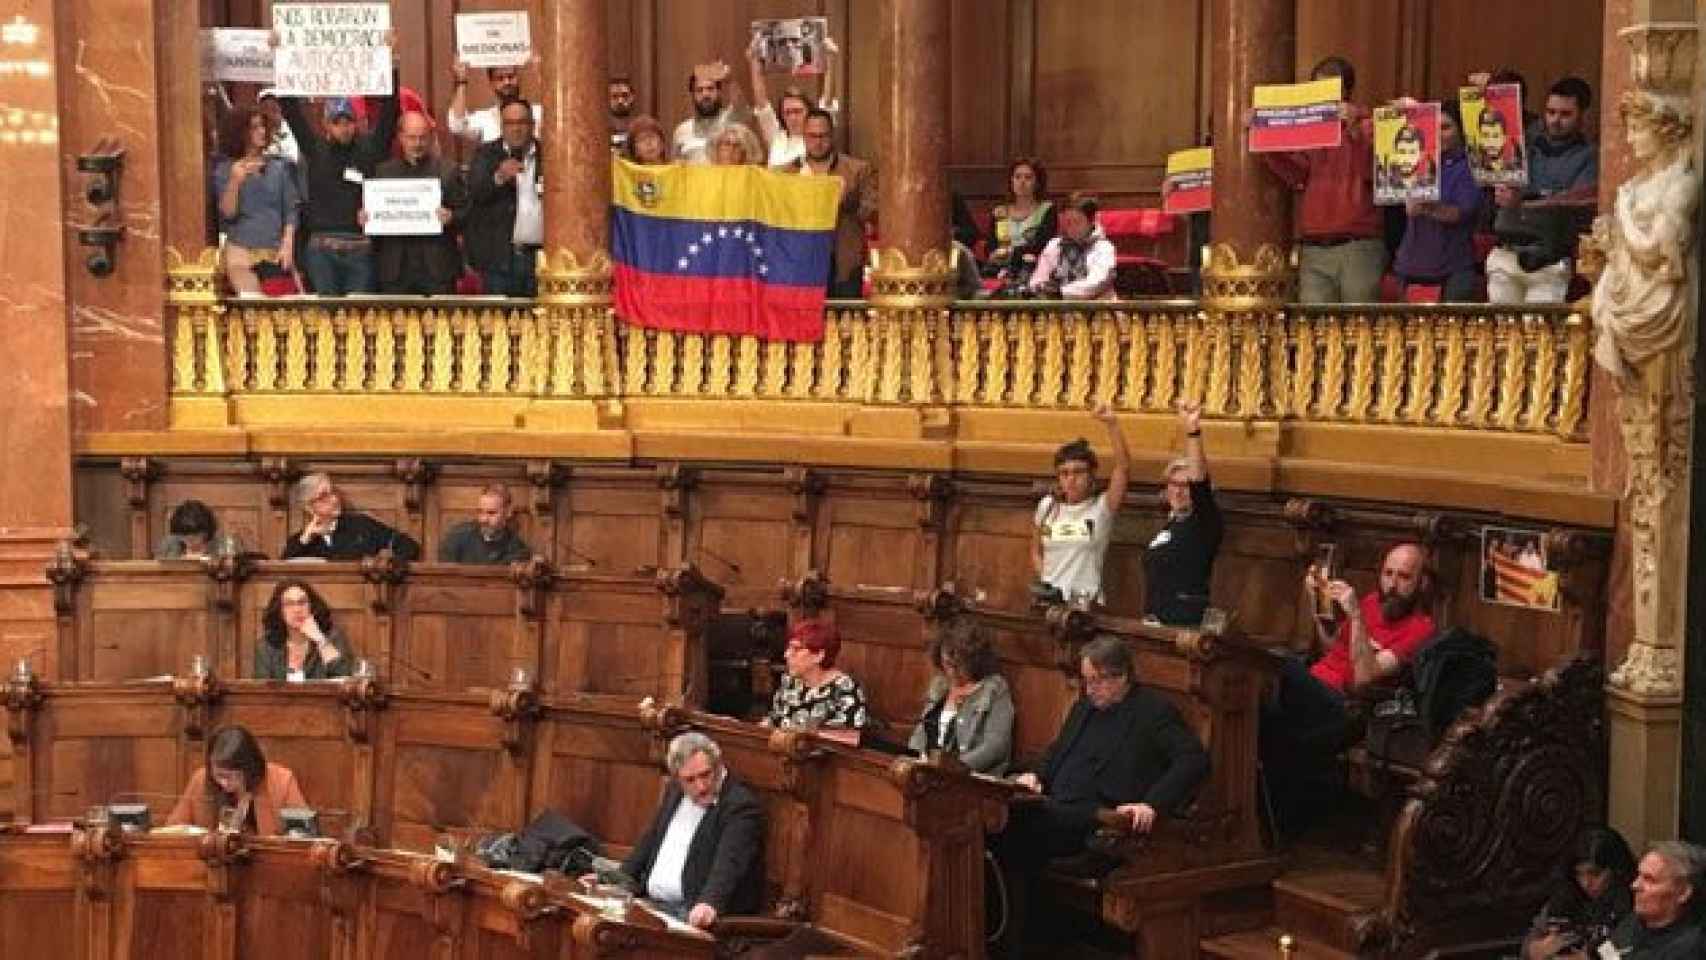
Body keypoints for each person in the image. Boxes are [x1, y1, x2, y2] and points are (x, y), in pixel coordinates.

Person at [990, 636, 1209, 957]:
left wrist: (1152, 804)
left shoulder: (1152, 712)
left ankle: (1018, 945)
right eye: (1086, 680)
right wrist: (1035, 775)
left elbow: (1193, 760)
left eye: (1096, 681)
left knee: (1007, 833)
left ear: (1120, 676)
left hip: (1098, 824)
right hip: (1053, 808)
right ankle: (1006, 940)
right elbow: (1056, 751)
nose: (1089, 689)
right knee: (996, 825)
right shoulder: (1084, 708)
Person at [1259, 542, 1436, 835]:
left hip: (1346, 706)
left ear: (1422, 583)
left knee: (1280, 665)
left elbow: (1365, 677)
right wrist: (1318, 609)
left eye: (1403, 577)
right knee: (1256, 705)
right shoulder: (1370, 603)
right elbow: (1333, 648)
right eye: (1387, 574)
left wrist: (1354, 616)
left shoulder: (1421, 629)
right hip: (1316, 687)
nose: (1392, 584)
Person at [598, 732, 764, 929]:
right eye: (690, 780)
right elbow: (650, 840)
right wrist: (616, 882)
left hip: (688, 913)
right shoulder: (675, 791)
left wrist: (709, 903)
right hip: (649, 902)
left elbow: (730, 862)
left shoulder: (740, 805)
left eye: (706, 774)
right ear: (677, 778)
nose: (701, 787)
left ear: (719, 766)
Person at [1260, 56, 1384, 304]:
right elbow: (1298, 175)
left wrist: (1355, 128)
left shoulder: (1372, 125)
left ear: (1347, 92)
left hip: (1357, 244)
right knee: (1314, 329)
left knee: (1357, 327)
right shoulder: (1310, 128)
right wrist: (1267, 144)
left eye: (1330, 90)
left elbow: (1380, 171)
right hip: (1314, 245)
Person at [277, 84, 399, 296]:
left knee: (359, 318)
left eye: (348, 121)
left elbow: (390, 113)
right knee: (327, 317)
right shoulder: (315, 149)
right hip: (322, 250)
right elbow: (291, 112)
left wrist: (391, 67)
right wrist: (285, 66)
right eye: (337, 122)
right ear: (326, 124)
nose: (344, 128)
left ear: (356, 122)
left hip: (360, 249)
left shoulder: (370, 149)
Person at [1487, 77, 1598, 304]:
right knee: (1500, 335)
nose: (1556, 120)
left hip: (1550, 259)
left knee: (1539, 336)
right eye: (1551, 112)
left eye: (1565, 114)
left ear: (1583, 116)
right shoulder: (1523, 145)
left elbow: (1572, 204)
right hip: (1507, 253)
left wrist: (1523, 202)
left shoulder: (1590, 157)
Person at [1032, 401, 1130, 606]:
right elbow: (1035, 550)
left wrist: (1112, 424)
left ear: (1091, 475)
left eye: (1078, 472)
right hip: (1050, 603)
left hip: (1085, 606)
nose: (1071, 479)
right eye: (1064, 473)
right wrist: (1048, 581)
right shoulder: (1047, 507)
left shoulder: (1102, 508)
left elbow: (1123, 467)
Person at [1393, 99, 1485, 302]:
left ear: (1460, 130)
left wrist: (1424, 208)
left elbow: (1460, 213)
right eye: (1434, 127)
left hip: (1452, 267)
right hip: (1410, 265)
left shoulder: (1470, 166)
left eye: (1446, 127)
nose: (1439, 134)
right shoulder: (1414, 159)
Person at [366, 111, 467, 296]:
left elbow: (467, 214)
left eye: (422, 138)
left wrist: (452, 216)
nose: (417, 144)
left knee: (441, 324)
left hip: (437, 267)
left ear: (430, 138)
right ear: (400, 138)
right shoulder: (383, 172)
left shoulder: (448, 171)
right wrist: (367, 218)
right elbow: (374, 222)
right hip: (395, 268)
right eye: (412, 138)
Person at [780, 109, 875, 298]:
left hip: (842, 260)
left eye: (823, 136)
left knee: (844, 320)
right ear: (804, 136)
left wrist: (845, 200)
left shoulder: (857, 170)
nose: (818, 142)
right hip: (800, 263)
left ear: (832, 135)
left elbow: (871, 212)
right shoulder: (787, 174)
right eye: (812, 136)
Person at [1144, 401, 1222, 626]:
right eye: (1173, 484)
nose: (1178, 490)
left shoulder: (1205, 522)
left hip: (1184, 625)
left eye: (1185, 485)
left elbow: (1199, 481)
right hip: (1155, 620)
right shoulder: (1172, 523)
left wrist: (1193, 432)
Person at [906, 618, 1015, 775]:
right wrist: (913, 760)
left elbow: (996, 746)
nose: (952, 672)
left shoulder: (994, 689)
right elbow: (921, 733)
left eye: (959, 665)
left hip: (967, 779)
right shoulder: (940, 686)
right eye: (947, 664)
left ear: (975, 661)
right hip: (929, 775)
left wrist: (952, 768)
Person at [212, 105, 300, 295]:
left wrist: (288, 242)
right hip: (241, 252)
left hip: (274, 251)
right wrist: (235, 181)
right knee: (252, 305)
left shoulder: (279, 168)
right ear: (240, 133)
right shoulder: (225, 170)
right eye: (254, 127)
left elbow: (291, 210)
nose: (261, 131)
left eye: (262, 126)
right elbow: (228, 214)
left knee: (280, 315)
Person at [464, 98, 544, 298]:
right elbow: (474, 193)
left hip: (539, 258)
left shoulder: (548, 154)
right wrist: (498, 177)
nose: (516, 129)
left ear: (532, 125)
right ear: (502, 126)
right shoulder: (486, 154)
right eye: (510, 123)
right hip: (499, 260)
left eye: (522, 123)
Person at [1519, 826, 1636, 959]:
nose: (1585, 883)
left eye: (1595, 874)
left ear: (1616, 871)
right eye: (1579, 873)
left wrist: (1588, 957)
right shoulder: (1567, 894)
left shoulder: (1634, 901)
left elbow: (1630, 951)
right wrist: (1537, 949)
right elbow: (1528, 944)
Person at [167, 725, 307, 835]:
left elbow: (303, 834)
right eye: (219, 775)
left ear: (250, 769)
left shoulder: (281, 781)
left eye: (232, 776)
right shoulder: (201, 778)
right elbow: (174, 829)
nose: (224, 783)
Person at [763, 619, 868, 746]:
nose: (786, 654)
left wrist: (806, 735)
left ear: (819, 655)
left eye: (796, 649)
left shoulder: (845, 688)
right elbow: (774, 720)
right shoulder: (790, 681)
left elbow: (851, 739)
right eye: (788, 648)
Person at [281, 472, 421, 562]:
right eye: (324, 496)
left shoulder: (361, 525)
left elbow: (408, 545)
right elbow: (283, 571)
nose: (334, 499)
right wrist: (305, 540)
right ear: (309, 507)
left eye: (333, 492)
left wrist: (389, 566)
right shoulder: (299, 542)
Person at [746, 36, 839, 168]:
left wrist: (831, 58)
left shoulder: (816, 136)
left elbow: (827, 100)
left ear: (808, 111)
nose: (792, 117)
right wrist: (754, 60)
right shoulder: (776, 137)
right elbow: (761, 103)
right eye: (787, 113)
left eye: (797, 111)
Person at [1602, 842, 1706, 958]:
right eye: (1638, 876)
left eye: (1649, 879)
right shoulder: (1633, 922)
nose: (1635, 885)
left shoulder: (1690, 947)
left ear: (1683, 893)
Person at [254, 579, 354, 681]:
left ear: (312, 606)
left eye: (302, 602)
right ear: (279, 611)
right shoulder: (266, 646)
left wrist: (320, 639)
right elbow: (261, 691)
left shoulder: (332, 638)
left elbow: (345, 679)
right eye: (289, 604)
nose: (297, 610)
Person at [1027, 192, 1117, 300]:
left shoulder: (1104, 248)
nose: (1072, 228)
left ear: (1092, 221)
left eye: (1077, 222)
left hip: (1097, 307)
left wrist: (1060, 292)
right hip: (1057, 308)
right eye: (1068, 222)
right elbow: (1038, 277)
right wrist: (1038, 288)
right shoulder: (1054, 245)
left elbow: (1096, 283)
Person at [985, 157, 1057, 282]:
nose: (1022, 182)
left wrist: (1011, 253)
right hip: (999, 268)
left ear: (1037, 182)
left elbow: (1042, 245)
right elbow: (990, 245)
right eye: (1017, 177)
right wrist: (994, 254)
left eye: (1028, 177)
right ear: (1011, 181)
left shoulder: (1047, 210)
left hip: (1033, 268)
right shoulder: (999, 211)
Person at [447, 61, 543, 145]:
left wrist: (541, 74)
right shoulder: (485, 119)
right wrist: (461, 81)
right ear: (491, 83)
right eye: (500, 78)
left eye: (511, 76)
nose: (507, 82)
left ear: (519, 78)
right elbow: (457, 125)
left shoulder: (538, 113)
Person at [438, 485, 531, 565]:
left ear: (508, 512)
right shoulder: (456, 537)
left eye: (491, 513)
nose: (483, 519)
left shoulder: (517, 549)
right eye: (480, 512)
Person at [674, 63, 742, 165]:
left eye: (710, 89)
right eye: (699, 90)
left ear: (719, 92)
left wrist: (729, 79)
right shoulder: (682, 131)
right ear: (692, 95)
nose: (705, 94)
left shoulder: (732, 121)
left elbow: (738, 103)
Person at [609, 76, 636, 151]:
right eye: (614, 96)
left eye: (625, 96)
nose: (620, 101)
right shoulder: (599, 127)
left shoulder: (639, 127)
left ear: (632, 97)